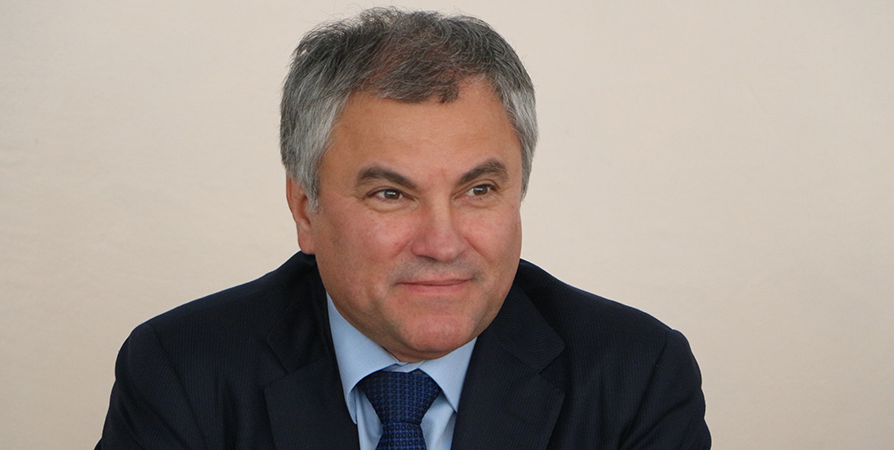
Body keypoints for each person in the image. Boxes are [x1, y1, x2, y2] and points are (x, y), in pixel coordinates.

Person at [96, 7, 710, 450]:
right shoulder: (183, 371)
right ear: (305, 209)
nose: (443, 244)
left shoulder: (635, 374)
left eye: (478, 190)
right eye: (391, 194)